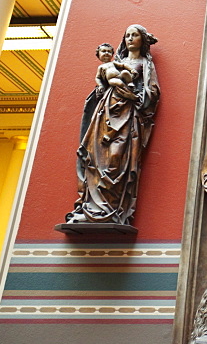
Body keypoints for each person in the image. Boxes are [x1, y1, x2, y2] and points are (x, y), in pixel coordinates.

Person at [67, 25, 160, 226]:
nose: (130, 38)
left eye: (134, 35)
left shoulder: (145, 63)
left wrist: (138, 98)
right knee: (97, 156)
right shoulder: (116, 62)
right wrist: (101, 89)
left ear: (142, 40)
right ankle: (91, 206)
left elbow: (152, 91)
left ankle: (112, 207)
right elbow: (101, 81)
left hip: (128, 113)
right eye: (127, 35)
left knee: (118, 157)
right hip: (107, 111)